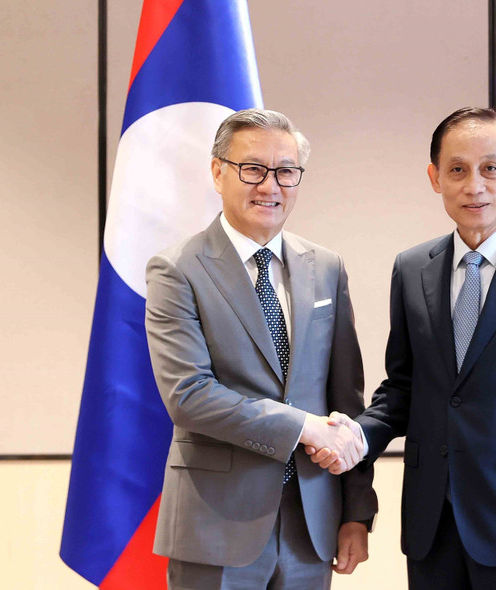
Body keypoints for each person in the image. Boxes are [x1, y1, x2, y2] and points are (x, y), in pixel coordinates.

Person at [309, 107, 496, 589]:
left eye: (490, 168)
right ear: (435, 178)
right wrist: (358, 437)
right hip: (432, 523)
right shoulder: (411, 268)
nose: (475, 186)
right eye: (457, 169)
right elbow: (404, 389)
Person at [145, 108, 377, 590]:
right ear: (217, 172)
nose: (270, 186)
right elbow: (188, 395)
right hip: (216, 525)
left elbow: (346, 399)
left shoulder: (326, 267)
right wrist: (304, 426)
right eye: (252, 169)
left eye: (286, 171)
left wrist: (356, 512)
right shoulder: (177, 270)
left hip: (312, 525)